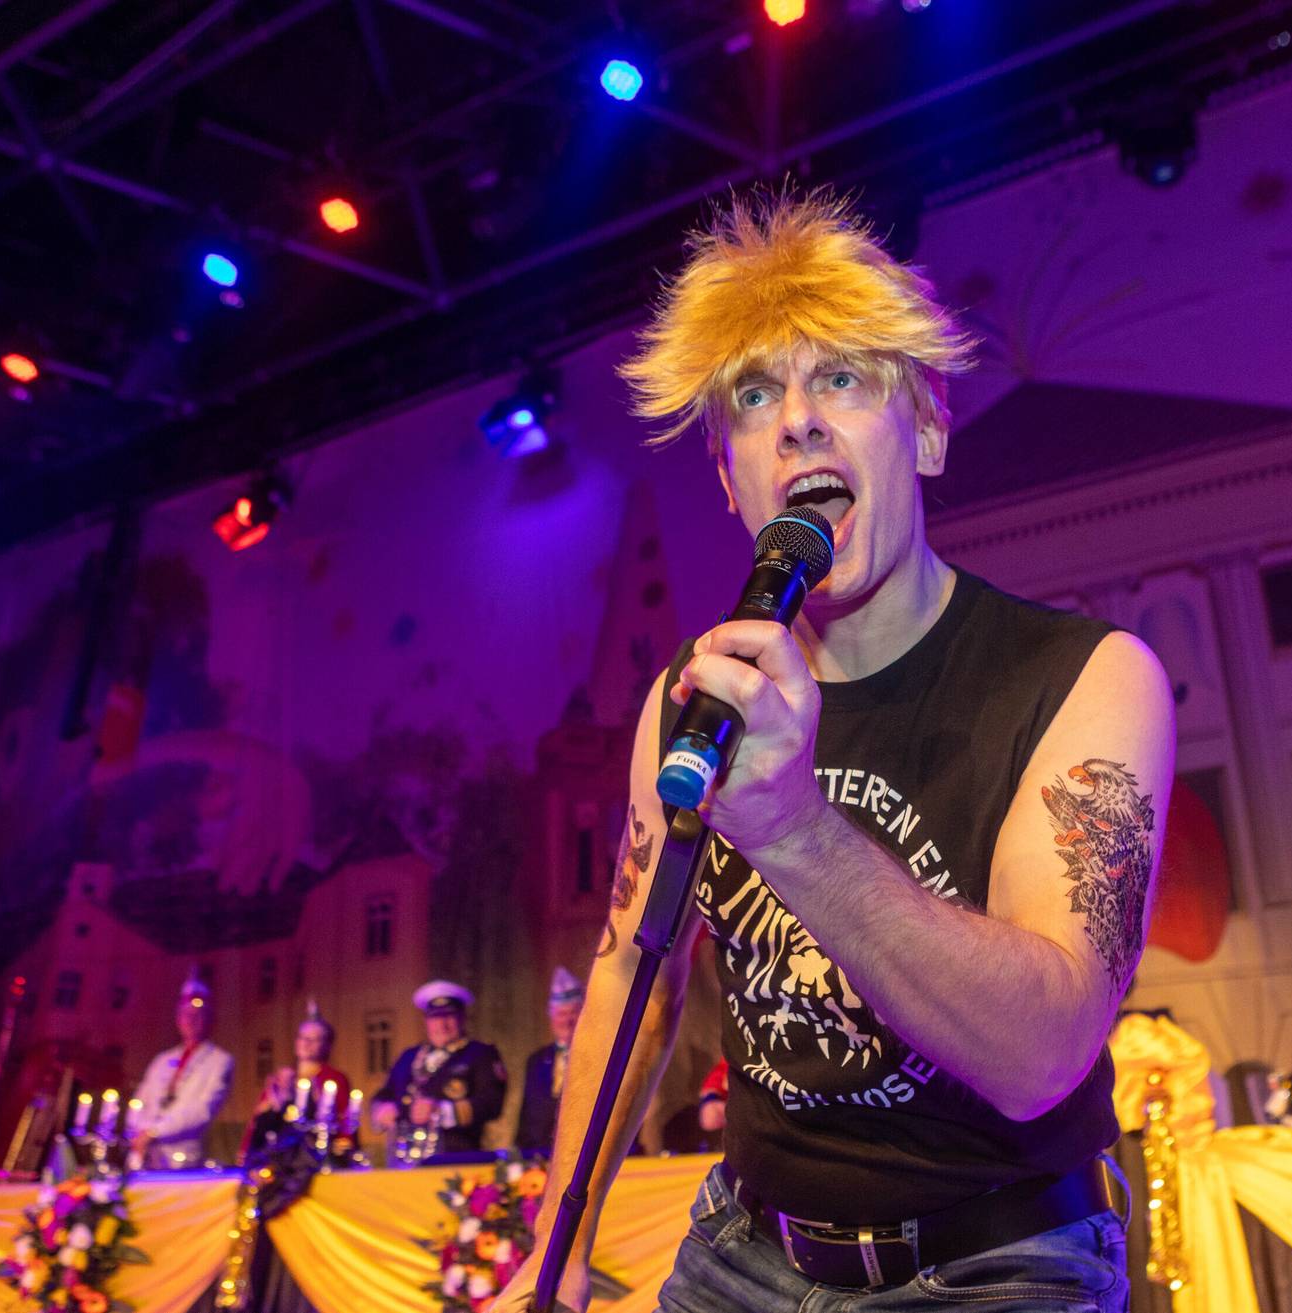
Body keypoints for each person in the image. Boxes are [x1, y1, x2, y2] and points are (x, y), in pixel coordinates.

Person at [497, 190, 1173, 1313]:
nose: (798, 422)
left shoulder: (1087, 679)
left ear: (929, 431)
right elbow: (631, 968)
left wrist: (795, 830)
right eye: (756, 396)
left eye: (843, 380)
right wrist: (557, 1242)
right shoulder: (694, 700)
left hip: (996, 1261)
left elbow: (1041, 1054)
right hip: (744, 1249)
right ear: (731, 482)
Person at [370, 980, 508, 1158]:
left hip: (456, 1156)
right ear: (426, 1021)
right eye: (435, 1017)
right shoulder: (409, 1056)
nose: (442, 1025)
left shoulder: (480, 1054)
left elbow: (492, 1103)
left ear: (462, 1018)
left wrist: (440, 1112)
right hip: (404, 1156)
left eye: (449, 1016)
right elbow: (384, 1093)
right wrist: (382, 1109)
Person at [127, 971, 236, 1169]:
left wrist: (155, 1132)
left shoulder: (220, 1061)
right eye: (186, 1014)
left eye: (198, 1015)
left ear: (209, 1019)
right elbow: (141, 1101)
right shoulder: (162, 1060)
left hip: (182, 1158)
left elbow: (202, 1111)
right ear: (178, 1018)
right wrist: (137, 1131)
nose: (191, 1020)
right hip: (144, 1153)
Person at [246, 999, 354, 1154]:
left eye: (314, 1039)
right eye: (302, 1037)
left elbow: (344, 1122)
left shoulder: (334, 1079)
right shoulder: (281, 1079)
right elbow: (258, 1123)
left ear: (326, 1045)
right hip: (279, 1152)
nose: (306, 1043)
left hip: (317, 1152)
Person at [515, 969, 586, 1157]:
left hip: (582, 1155)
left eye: (573, 1012)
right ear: (551, 1016)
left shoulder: (599, 1056)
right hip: (540, 1157)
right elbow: (527, 1117)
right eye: (561, 1013)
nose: (567, 1021)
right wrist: (519, 1157)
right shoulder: (537, 1060)